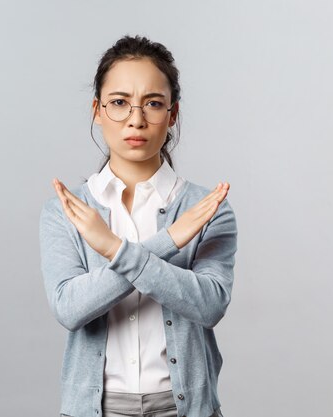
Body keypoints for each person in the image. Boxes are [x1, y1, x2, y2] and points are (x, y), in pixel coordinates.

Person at [39, 35, 238, 417]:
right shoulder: (67, 210)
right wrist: (169, 242)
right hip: (93, 409)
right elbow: (70, 309)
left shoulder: (207, 208)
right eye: (118, 103)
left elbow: (210, 305)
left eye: (153, 103)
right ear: (97, 110)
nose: (136, 119)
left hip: (184, 409)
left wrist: (113, 249)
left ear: (173, 114)